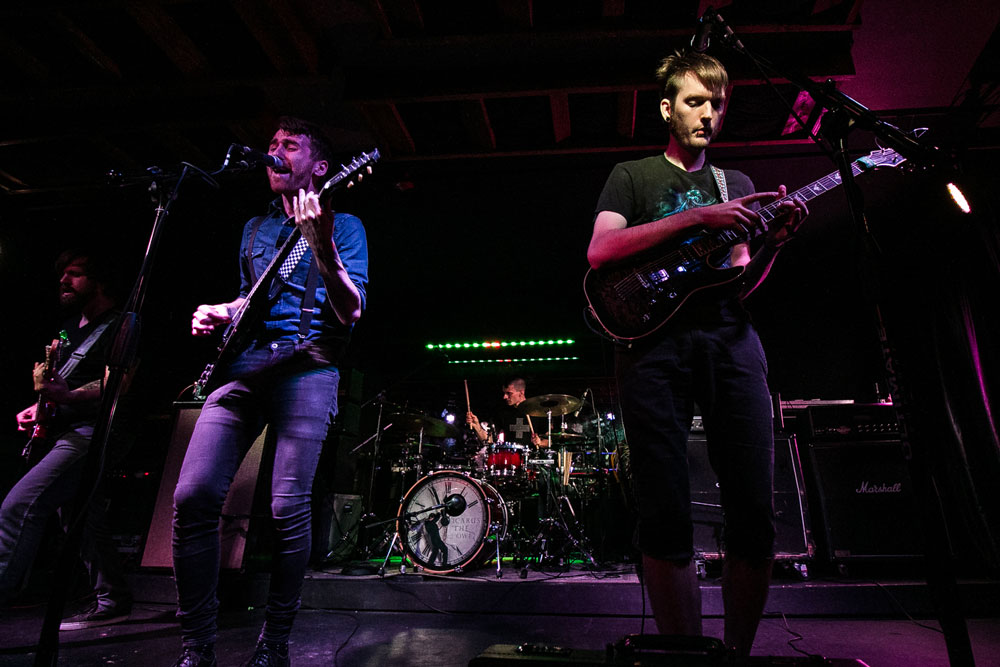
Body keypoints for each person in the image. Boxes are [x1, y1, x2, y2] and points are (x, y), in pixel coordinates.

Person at [586, 52, 807, 656]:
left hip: (732, 342)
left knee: (754, 515)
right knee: (663, 509)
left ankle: (736, 655)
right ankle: (685, 655)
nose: (709, 113)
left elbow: (737, 283)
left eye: (717, 103)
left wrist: (774, 245)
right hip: (654, 348)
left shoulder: (734, 185)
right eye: (694, 101)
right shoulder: (632, 175)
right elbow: (601, 251)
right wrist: (699, 218)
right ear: (667, 108)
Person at [172, 116, 368, 667]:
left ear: (319, 167)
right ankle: (197, 646)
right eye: (271, 145)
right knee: (192, 497)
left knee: (287, 508)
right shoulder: (255, 230)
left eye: (289, 145)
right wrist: (221, 311)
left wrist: (322, 245)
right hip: (245, 366)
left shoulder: (344, 225)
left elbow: (351, 310)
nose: (274, 152)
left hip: (309, 367)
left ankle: (275, 642)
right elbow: (251, 300)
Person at [2, 248, 132, 630]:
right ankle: (113, 598)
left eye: (74, 274)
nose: (64, 281)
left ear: (99, 281)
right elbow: (59, 385)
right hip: (62, 430)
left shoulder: (121, 324)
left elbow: (119, 384)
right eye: (63, 274)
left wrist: (69, 397)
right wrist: (37, 408)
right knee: (80, 518)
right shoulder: (66, 330)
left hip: (92, 434)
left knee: (19, 506)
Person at [466, 378, 545, 448]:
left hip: (532, 460)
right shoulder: (502, 412)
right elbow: (489, 440)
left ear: (521, 392)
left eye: (509, 393)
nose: (505, 397)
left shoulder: (537, 411)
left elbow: (550, 441)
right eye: (504, 393)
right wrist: (477, 427)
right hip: (509, 459)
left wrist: (540, 442)